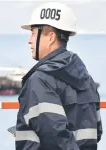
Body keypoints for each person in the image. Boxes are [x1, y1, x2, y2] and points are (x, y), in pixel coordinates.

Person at [15, 2, 103, 150]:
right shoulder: (87, 79)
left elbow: (54, 138)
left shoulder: (40, 80)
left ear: (50, 37)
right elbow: (96, 132)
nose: (29, 40)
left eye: (33, 33)